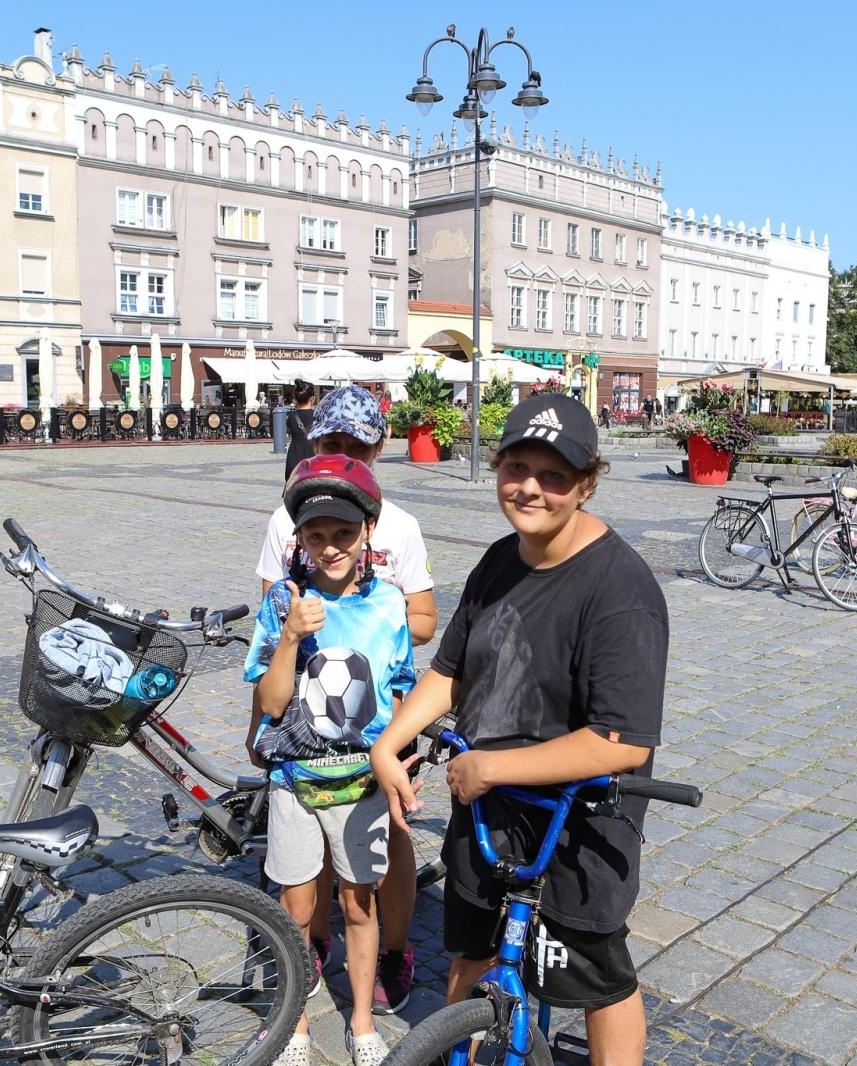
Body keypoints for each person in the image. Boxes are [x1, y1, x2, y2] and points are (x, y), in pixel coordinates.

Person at [371, 393, 669, 1066]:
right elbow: (451, 671)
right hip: (488, 811)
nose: (530, 487)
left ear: (586, 483)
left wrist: (492, 767)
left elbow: (621, 740)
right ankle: (463, 1050)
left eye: (554, 475)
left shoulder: (620, 591)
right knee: (471, 950)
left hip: (580, 818)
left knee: (596, 976)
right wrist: (388, 741)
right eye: (516, 467)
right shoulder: (500, 559)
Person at [253, 383, 436, 1016]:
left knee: (389, 837)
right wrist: (301, 630)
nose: (342, 453)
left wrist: (367, 623)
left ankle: (392, 945)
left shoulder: (398, 526)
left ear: (378, 447)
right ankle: (311, 941)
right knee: (311, 854)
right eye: (330, 442)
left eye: (355, 445)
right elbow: (273, 614)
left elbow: (423, 620)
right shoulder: (288, 516)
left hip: (374, 711)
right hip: (307, 719)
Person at [283, 379, 318, 481]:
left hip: (294, 457)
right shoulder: (317, 416)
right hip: (313, 457)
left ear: (296, 399)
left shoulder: (291, 416)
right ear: (312, 398)